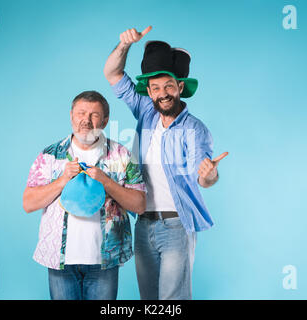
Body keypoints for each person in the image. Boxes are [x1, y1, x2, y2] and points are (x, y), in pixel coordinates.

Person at [104, 26, 229, 300]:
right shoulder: (146, 111)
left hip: (175, 226)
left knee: (172, 301)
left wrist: (210, 175)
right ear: (148, 91)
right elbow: (112, 74)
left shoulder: (195, 130)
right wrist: (124, 45)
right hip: (143, 224)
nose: (163, 94)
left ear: (180, 87)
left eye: (169, 86)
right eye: (156, 88)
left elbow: (203, 176)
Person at [22, 90, 146, 300]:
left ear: (105, 120)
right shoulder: (50, 155)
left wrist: (106, 181)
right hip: (60, 261)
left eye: (94, 115)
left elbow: (140, 205)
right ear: (71, 116)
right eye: (81, 113)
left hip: (104, 261)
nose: (86, 120)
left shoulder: (122, 156)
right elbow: (28, 203)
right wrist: (61, 181)